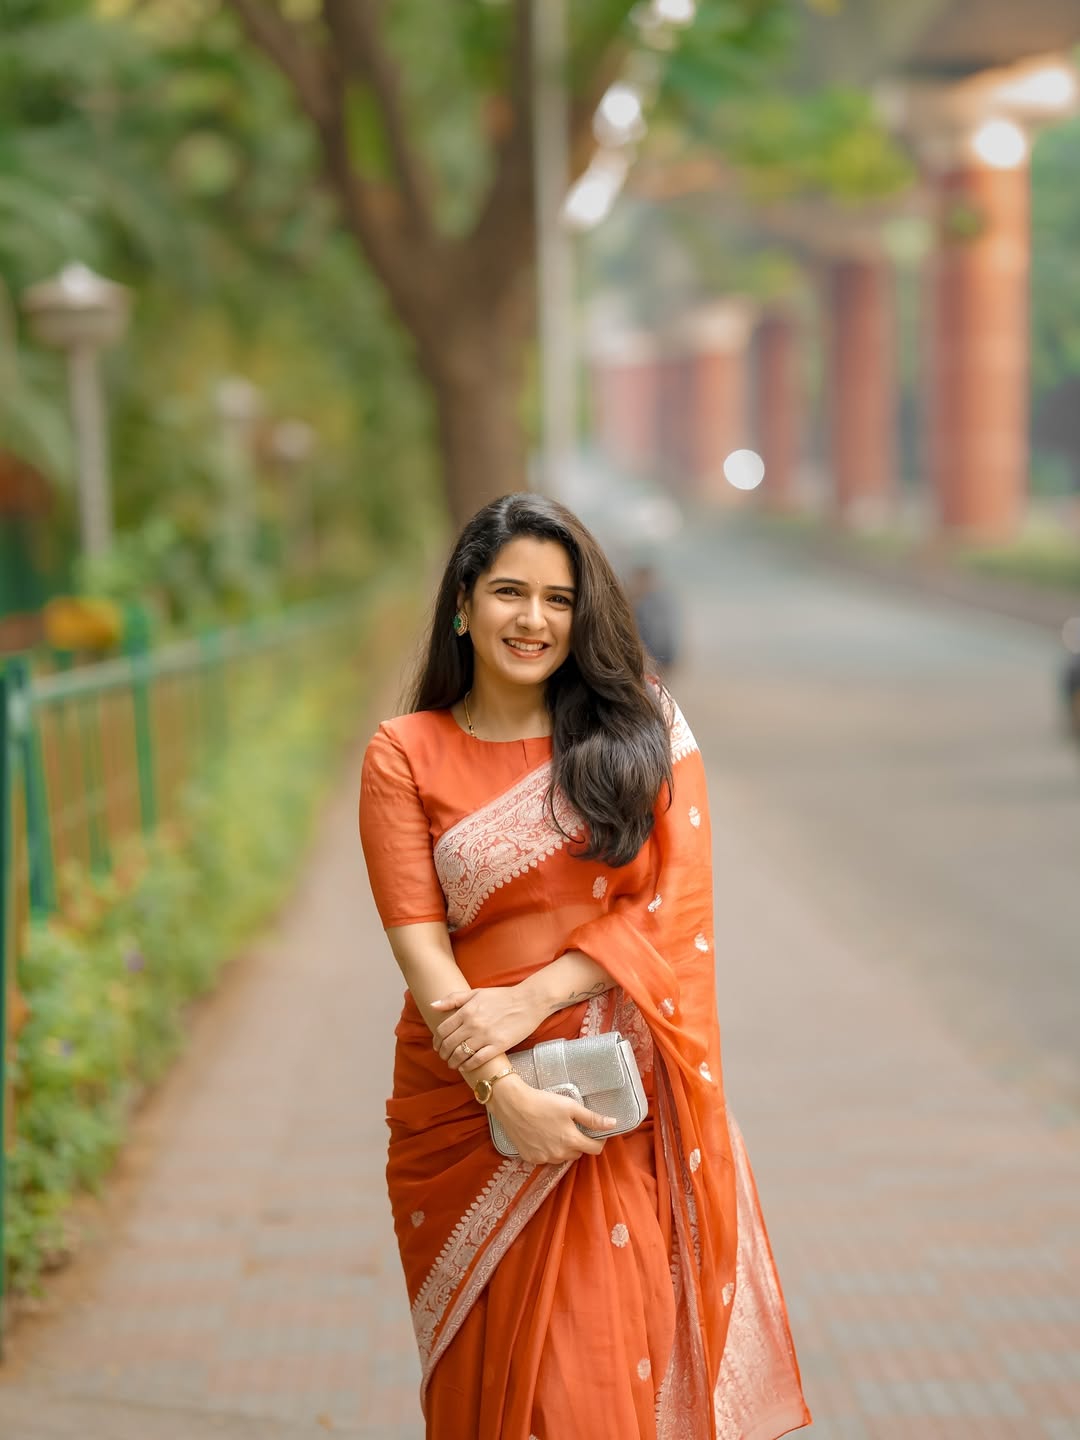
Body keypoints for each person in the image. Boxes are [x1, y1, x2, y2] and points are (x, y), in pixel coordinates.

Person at [358, 492, 810, 1440]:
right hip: (460, 1107)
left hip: (608, 1109)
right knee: (484, 1403)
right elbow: (417, 940)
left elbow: (675, 911)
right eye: (509, 593)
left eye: (558, 600)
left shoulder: (640, 733)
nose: (533, 620)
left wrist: (533, 998)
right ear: (462, 604)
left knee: (591, 1393)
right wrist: (495, 1085)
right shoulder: (404, 754)